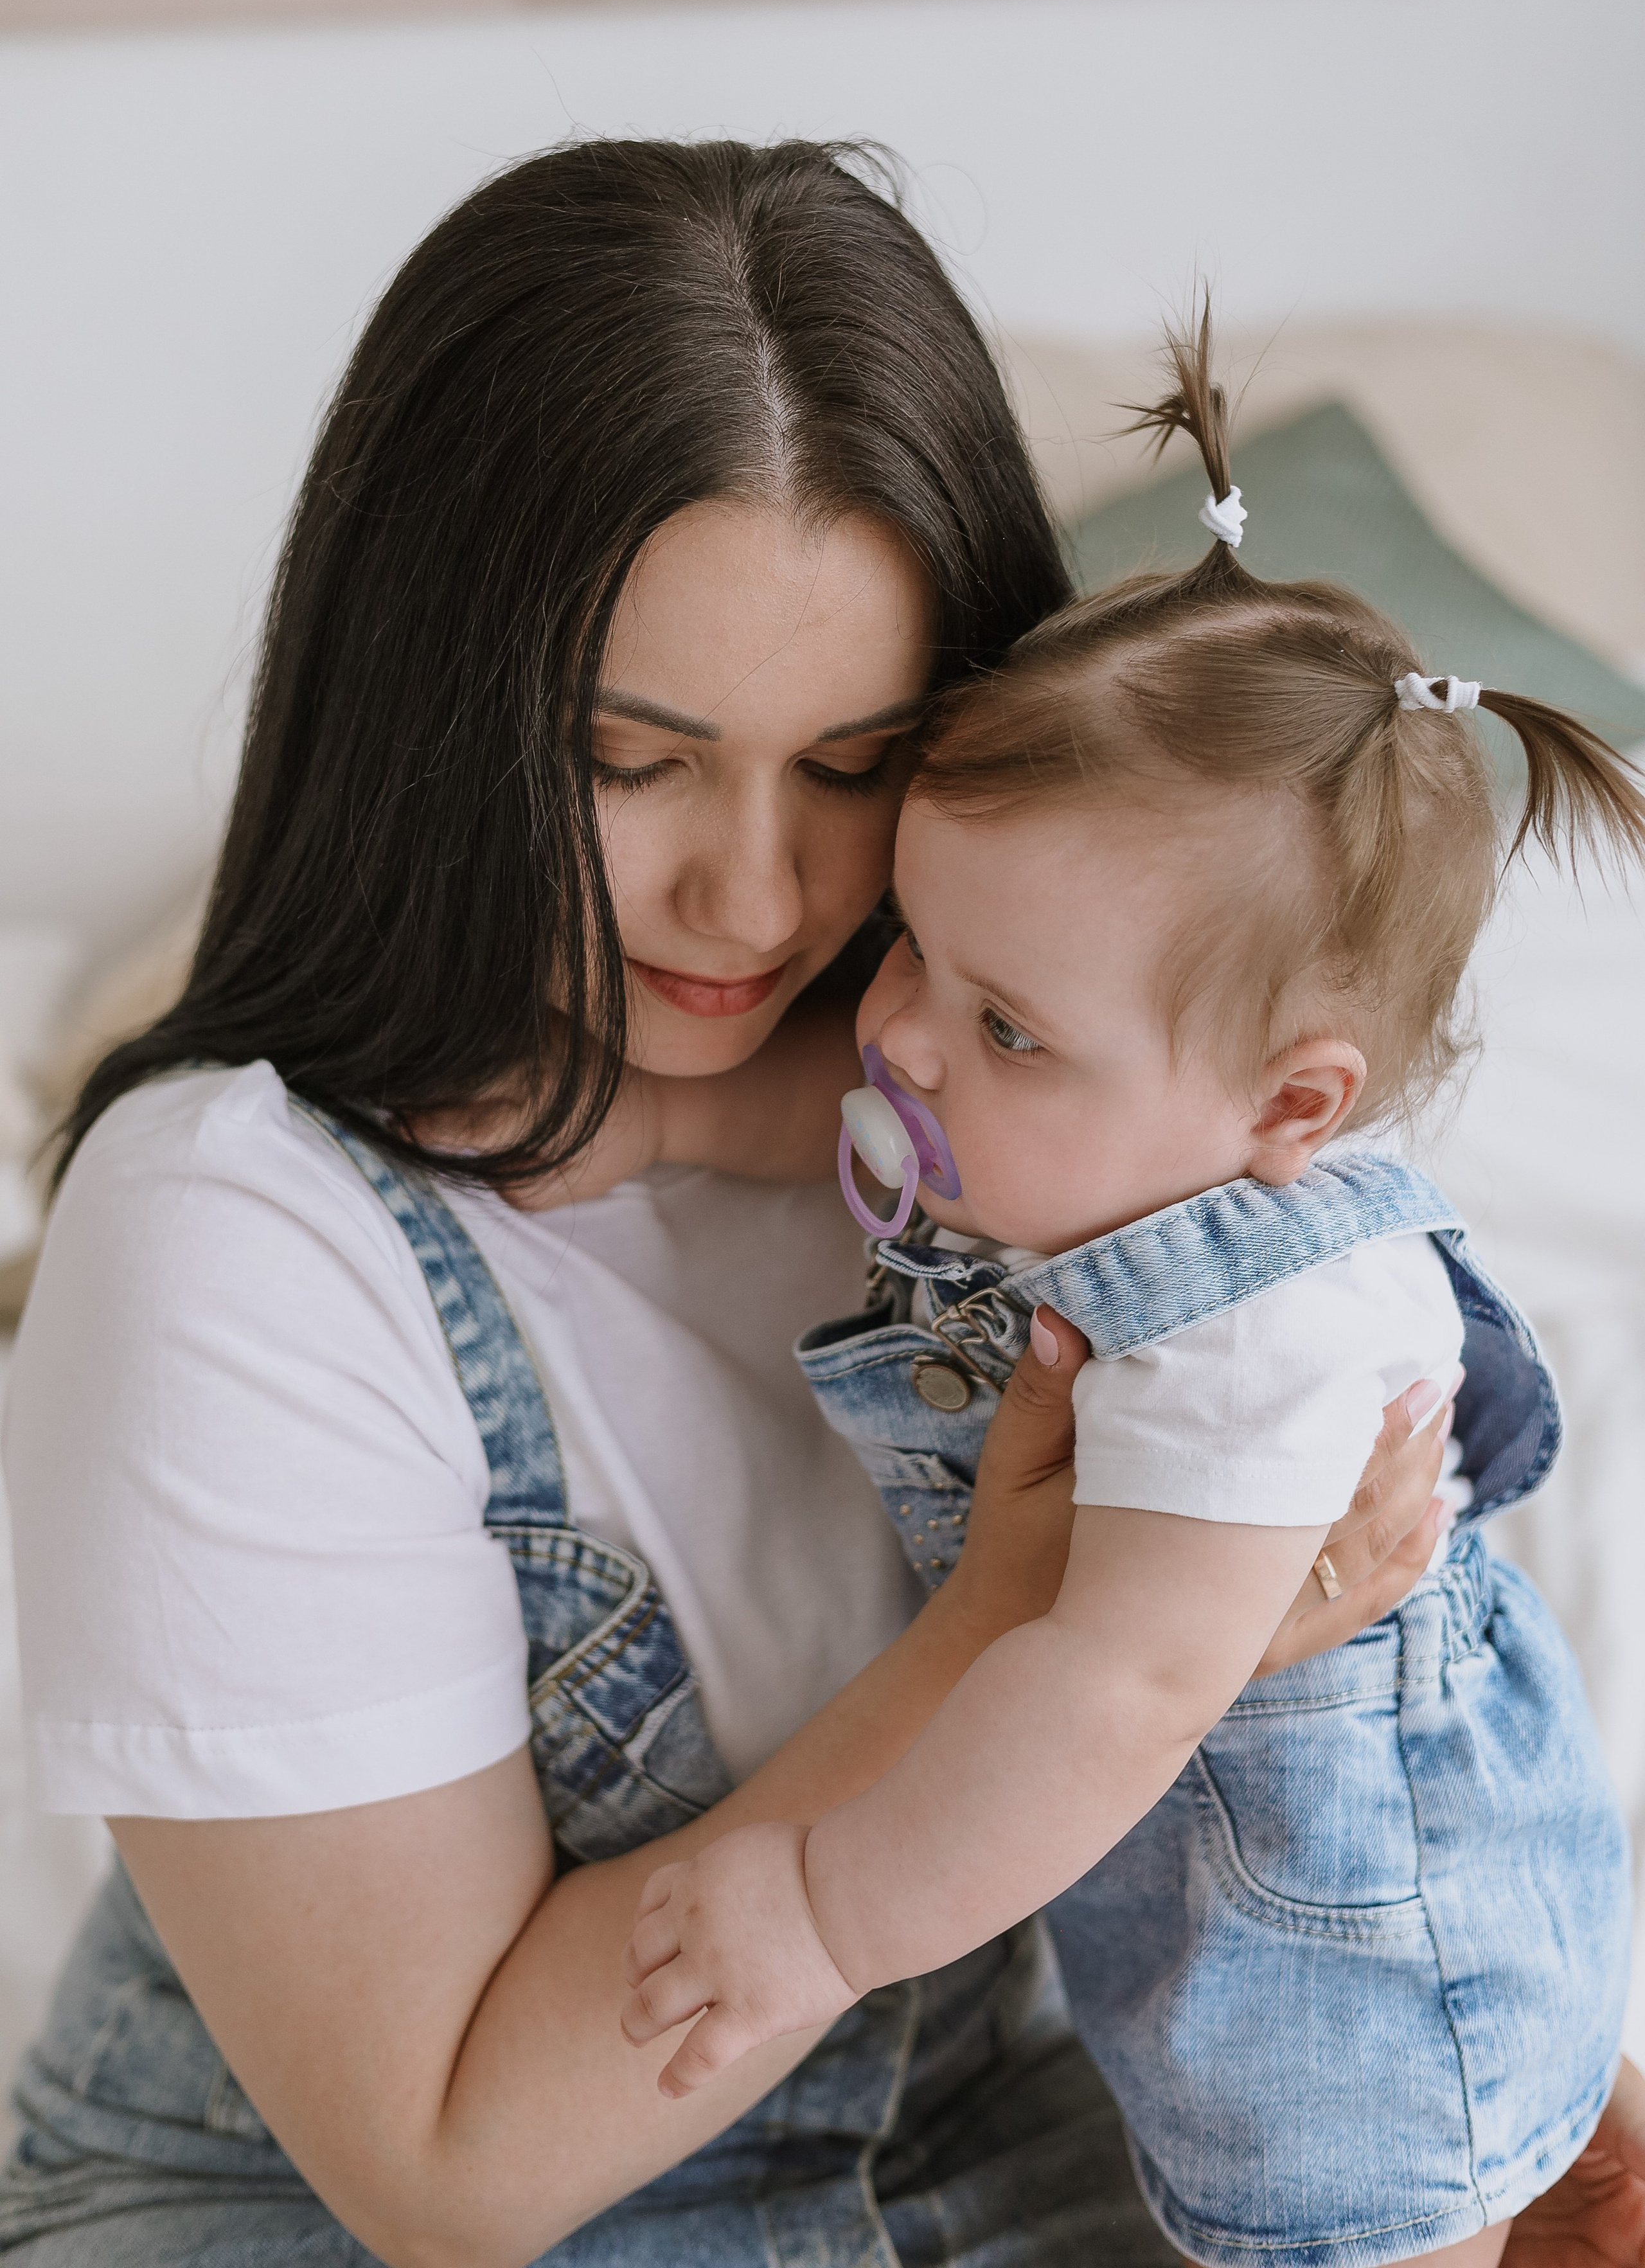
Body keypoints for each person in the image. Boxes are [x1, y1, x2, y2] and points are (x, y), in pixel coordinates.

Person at [0, 142, 1632, 2268]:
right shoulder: (236, 1225)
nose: (753, 902)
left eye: (854, 767)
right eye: (631, 760)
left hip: (996, 2130)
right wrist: (1003, 1633)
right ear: (435, 719)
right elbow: (449, 2170)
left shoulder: (1069, 1098)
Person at [615, 310, 1641, 2268]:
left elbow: (1118, 1688)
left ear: (1291, 1103)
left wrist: (817, 1917)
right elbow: (855, 1105)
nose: (900, 1037)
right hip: (1229, 1960)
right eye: (914, 941)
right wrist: (646, 1127)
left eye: (1007, 1027)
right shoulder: (1105, 1132)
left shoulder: (1262, 1329)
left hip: (1371, 2005)